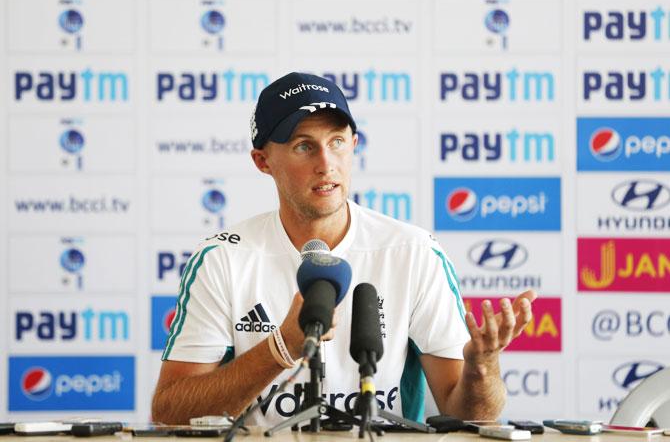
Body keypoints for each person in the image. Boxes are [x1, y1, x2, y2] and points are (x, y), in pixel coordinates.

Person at [152, 72, 536, 426]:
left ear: (353, 145)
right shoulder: (223, 259)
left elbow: (468, 414)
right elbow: (170, 411)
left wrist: (482, 368)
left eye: (337, 142)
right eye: (304, 147)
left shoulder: (414, 252)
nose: (326, 164)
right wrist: (279, 348)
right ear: (262, 161)